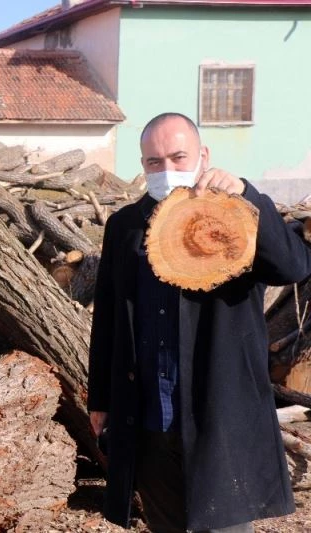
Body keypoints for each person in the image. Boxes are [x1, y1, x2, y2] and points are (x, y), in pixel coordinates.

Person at [88, 112, 311, 533]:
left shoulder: (234, 216)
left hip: (219, 416)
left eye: (178, 157)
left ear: (203, 156)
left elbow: (293, 266)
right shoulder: (125, 227)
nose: (167, 170)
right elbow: (110, 318)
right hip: (151, 416)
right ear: (142, 165)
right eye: (154, 162)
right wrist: (100, 396)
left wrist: (248, 194)